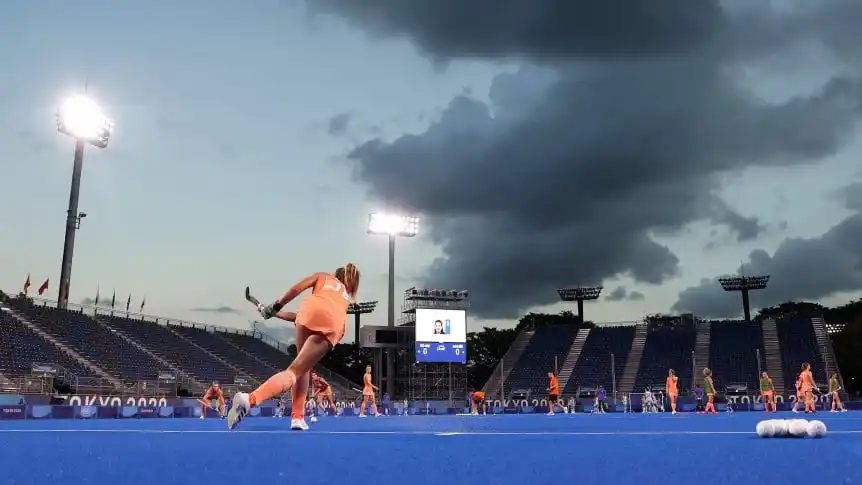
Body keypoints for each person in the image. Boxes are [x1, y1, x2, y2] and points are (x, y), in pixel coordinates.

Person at [227, 264, 361, 431]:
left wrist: (275, 308)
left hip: (307, 312)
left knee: (302, 369)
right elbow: (327, 313)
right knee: (295, 371)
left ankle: (297, 417)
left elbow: (297, 290)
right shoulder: (345, 297)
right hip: (333, 322)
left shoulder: (322, 276)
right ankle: (250, 399)